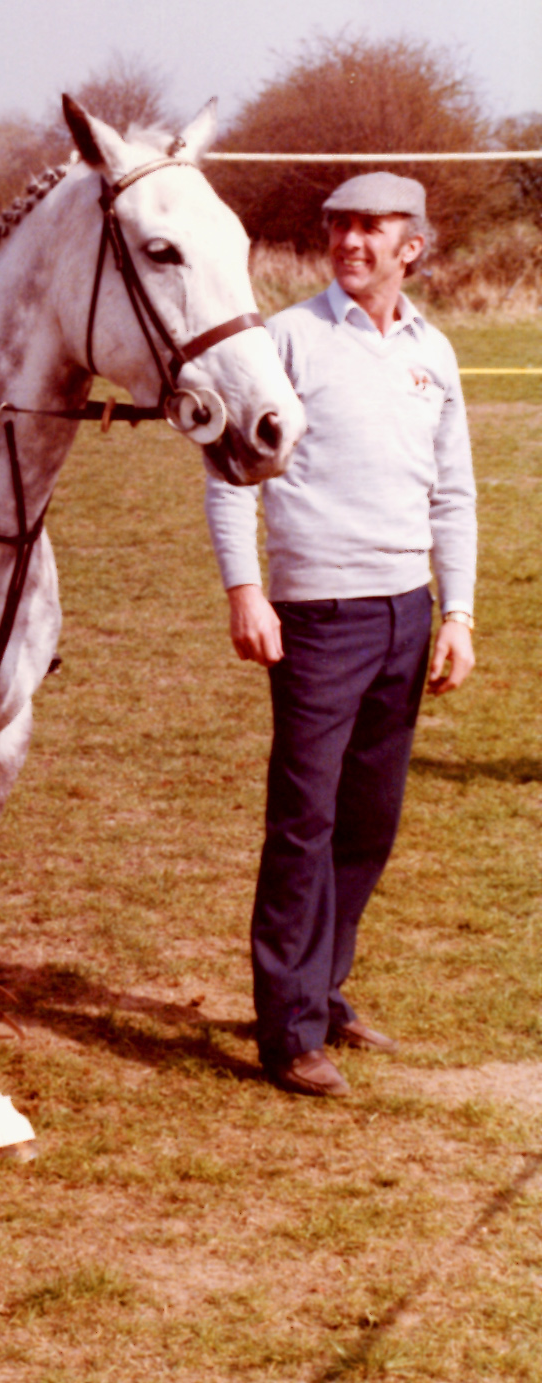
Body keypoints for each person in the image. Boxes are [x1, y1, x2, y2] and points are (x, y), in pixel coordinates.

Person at [204, 173, 476, 1097]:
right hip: (317, 617)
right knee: (304, 821)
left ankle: (321, 990)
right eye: (340, 226)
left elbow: (454, 492)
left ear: (413, 245)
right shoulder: (286, 338)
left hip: (407, 611)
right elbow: (231, 471)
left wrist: (459, 613)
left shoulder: (432, 350)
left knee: (368, 823)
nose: (351, 241)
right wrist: (247, 588)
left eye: (373, 227)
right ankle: (285, 1032)